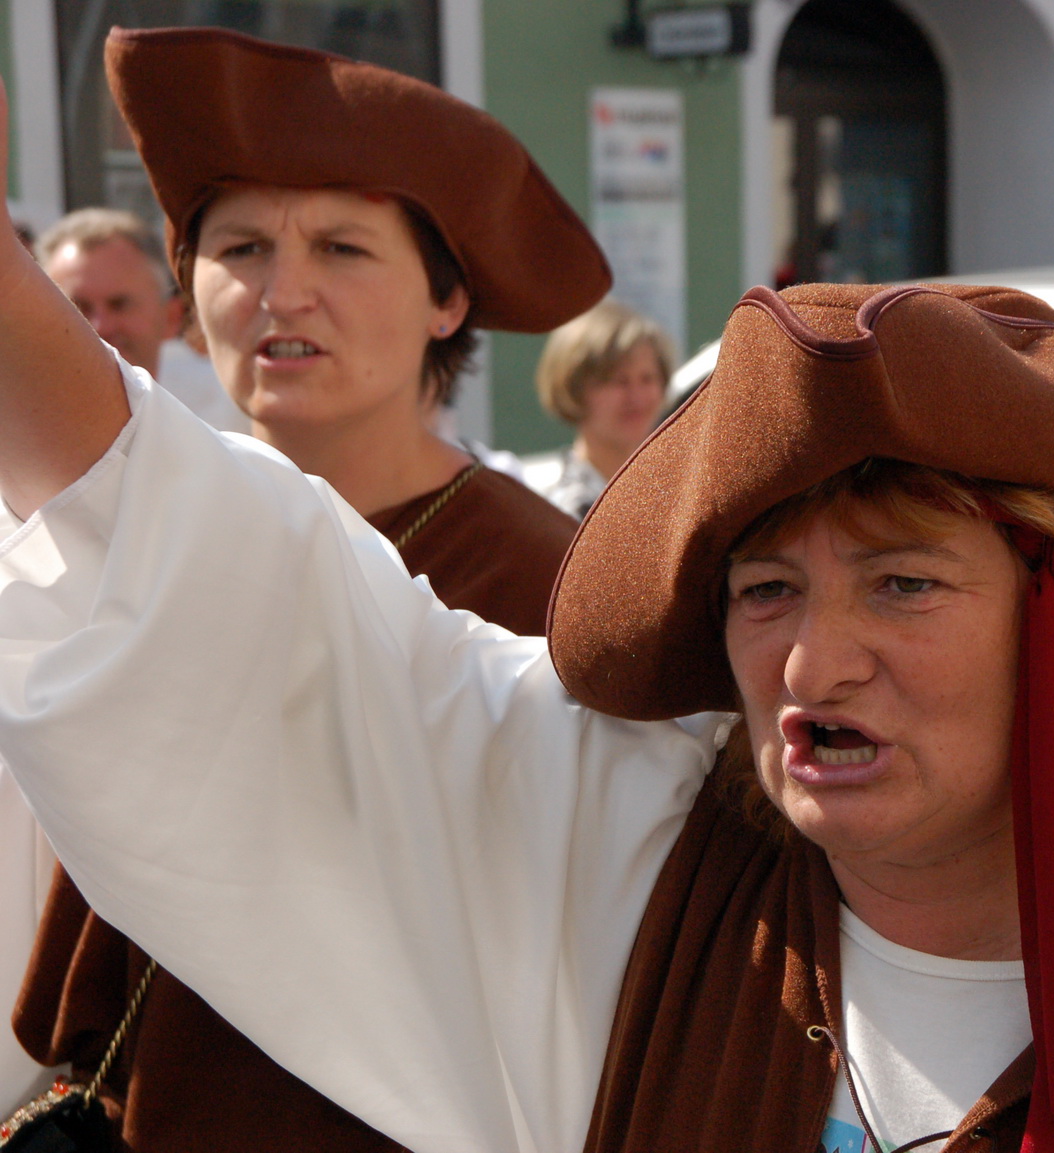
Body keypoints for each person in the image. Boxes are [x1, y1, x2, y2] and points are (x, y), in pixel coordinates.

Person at [0, 82, 1054, 1145]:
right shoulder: (657, 864)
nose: (812, 657)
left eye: (904, 583)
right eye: (766, 591)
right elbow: (249, 604)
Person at [3, 27, 603, 1150]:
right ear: (187, 295)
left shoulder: (546, 581)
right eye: (238, 249)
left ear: (446, 301)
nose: (284, 293)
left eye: (342, 248)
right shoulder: (100, 535)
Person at [35, 207, 249, 432]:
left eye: (119, 305)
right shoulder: (12, 438)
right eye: (77, 307)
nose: (101, 326)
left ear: (170, 317)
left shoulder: (229, 425)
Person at [524, 298, 675, 519]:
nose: (636, 396)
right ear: (575, 389)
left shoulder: (674, 492)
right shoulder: (567, 510)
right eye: (619, 381)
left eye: (647, 378)